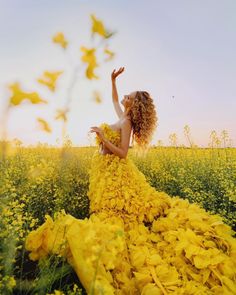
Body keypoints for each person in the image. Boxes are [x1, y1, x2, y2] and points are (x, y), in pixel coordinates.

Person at [25, 68, 236, 295]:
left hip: (117, 171)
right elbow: (114, 99)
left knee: (117, 215)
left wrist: (104, 138)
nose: (124, 97)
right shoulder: (121, 116)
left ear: (134, 104)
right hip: (106, 170)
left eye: (129, 96)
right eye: (126, 95)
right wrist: (113, 81)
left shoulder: (126, 123)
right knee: (109, 212)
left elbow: (124, 152)